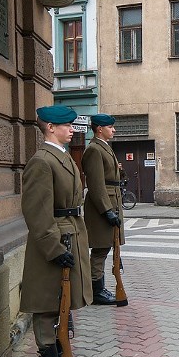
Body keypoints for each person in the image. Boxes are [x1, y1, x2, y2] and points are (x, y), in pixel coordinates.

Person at [20, 105, 93, 357]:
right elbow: (37, 212)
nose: (72, 129)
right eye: (67, 125)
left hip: (69, 233)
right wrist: (54, 248)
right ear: (50, 127)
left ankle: (63, 355)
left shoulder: (61, 157)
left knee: (63, 300)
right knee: (48, 304)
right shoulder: (42, 161)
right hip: (54, 239)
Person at [81, 113, 123, 306]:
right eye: (110, 127)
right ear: (99, 129)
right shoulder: (94, 150)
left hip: (111, 201)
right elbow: (96, 184)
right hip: (102, 206)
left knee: (105, 248)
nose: (113, 130)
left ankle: (98, 288)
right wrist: (107, 211)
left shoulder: (103, 147)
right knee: (100, 249)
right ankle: (96, 292)